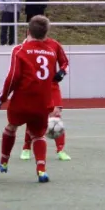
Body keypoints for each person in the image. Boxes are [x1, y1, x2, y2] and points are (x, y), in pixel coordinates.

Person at [0, 15, 61, 183]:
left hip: (22, 101)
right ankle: (41, 170)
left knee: (11, 128)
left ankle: (4, 161)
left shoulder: (20, 50)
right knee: (38, 135)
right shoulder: (51, 52)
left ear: (27, 31)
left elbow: (13, 78)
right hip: (43, 102)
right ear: (46, 34)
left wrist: (1, 99)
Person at [19, 33, 70, 162]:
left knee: (56, 115)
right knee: (33, 117)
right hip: (34, 85)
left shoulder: (54, 45)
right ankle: (26, 148)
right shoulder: (26, 46)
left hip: (52, 85)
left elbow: (65, 62)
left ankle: (60, 150)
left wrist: (62, 72)